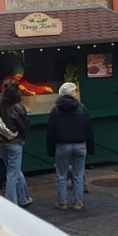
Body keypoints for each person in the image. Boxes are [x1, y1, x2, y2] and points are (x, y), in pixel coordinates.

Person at [47, 82, 94, 211]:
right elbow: (88, 129)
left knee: (61, 175)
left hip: (62, 146)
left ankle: (62, 202)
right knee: (78, 174)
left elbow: (51, 131)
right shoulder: (82, 108)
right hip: (80, 145)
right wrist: (90, 147)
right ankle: (78, 202)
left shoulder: (55, 110)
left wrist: (50, 149)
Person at [0, 80, 32, 206]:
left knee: (14, 170)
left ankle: (23, 198)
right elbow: (24, 125)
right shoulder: (18, 107)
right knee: (13, 173)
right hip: (15, 142)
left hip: (2, 142)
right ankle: (11, 204)